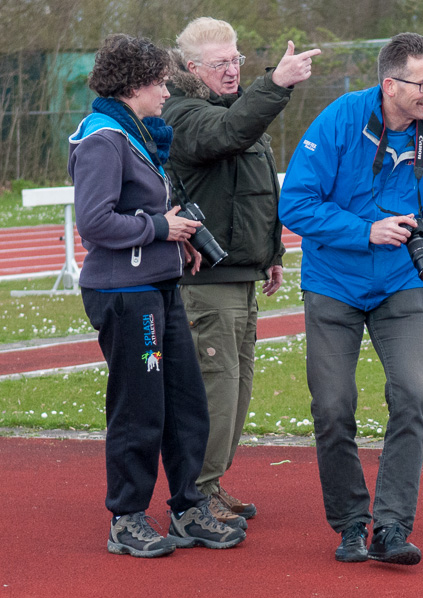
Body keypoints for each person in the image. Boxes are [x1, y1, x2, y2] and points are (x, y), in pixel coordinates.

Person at [278, 32, 423, 565]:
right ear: (390, 84)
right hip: (333, 284)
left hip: (402, 284)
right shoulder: (339, 120)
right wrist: (365, 230)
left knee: (411, 392)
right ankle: (350, 524)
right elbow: (295, 204)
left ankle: (391, 526)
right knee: (333, 406)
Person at [69, 33, 245, 558]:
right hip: (125, 295)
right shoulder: (104, 137)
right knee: (138, 408)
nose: (167, 91)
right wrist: (160, 229)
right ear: (134, 86)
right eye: (161, 83)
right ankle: (125, 519)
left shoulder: (136, 133)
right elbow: (95, 222)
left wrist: (179, 245)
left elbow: (150, 214)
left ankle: (188, 507)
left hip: (159, 285)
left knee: (187, 403)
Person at [161, 17, 321, 529]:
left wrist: (270, 252)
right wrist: (274, 84)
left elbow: (255, 192)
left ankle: (210, 483)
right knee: (216, 391)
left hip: (240, 276)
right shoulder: (182, 113)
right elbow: (227, 136)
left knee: (238, 388)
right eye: (221, 63)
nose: (233, 70)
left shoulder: (232, 110)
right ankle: (193, 496)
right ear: (192, 68)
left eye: (236, 60)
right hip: (204, 285)